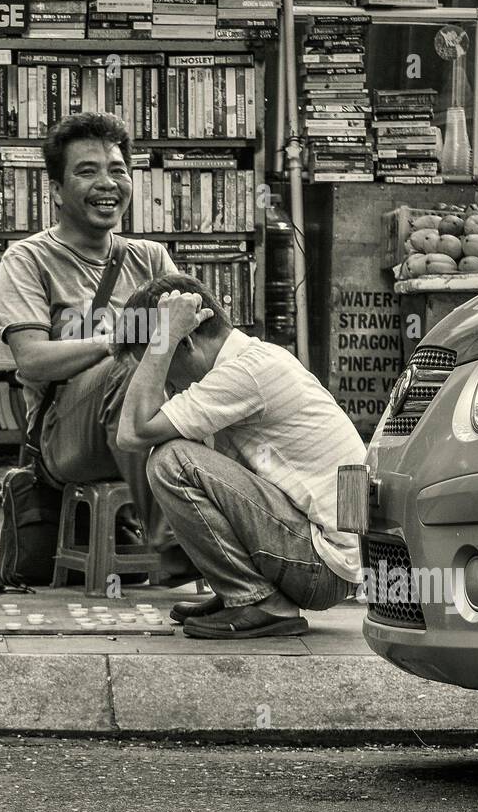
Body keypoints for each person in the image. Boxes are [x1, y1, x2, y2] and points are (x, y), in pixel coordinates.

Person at [0, 111, 195, 579]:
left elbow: (196, 344)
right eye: (87, 171)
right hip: (64, 437)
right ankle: (175, 539)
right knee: (130, 368)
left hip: (153, 420)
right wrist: (116, 342)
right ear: (57, 191)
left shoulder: (150, 257)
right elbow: (32, 361)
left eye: (118, 170)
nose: (107, 183)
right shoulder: (27, 259)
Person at [114, 273, 367, 639]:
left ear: (185, 341)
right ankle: (241, 594)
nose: (166, 388)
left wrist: (162, 338)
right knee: (185, 447)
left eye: (162, 370)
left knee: (171, 460)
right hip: (328, 555)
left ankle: (260, 602)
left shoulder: (246, 371)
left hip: (324, 565)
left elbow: (131, 433)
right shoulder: (249, 360)